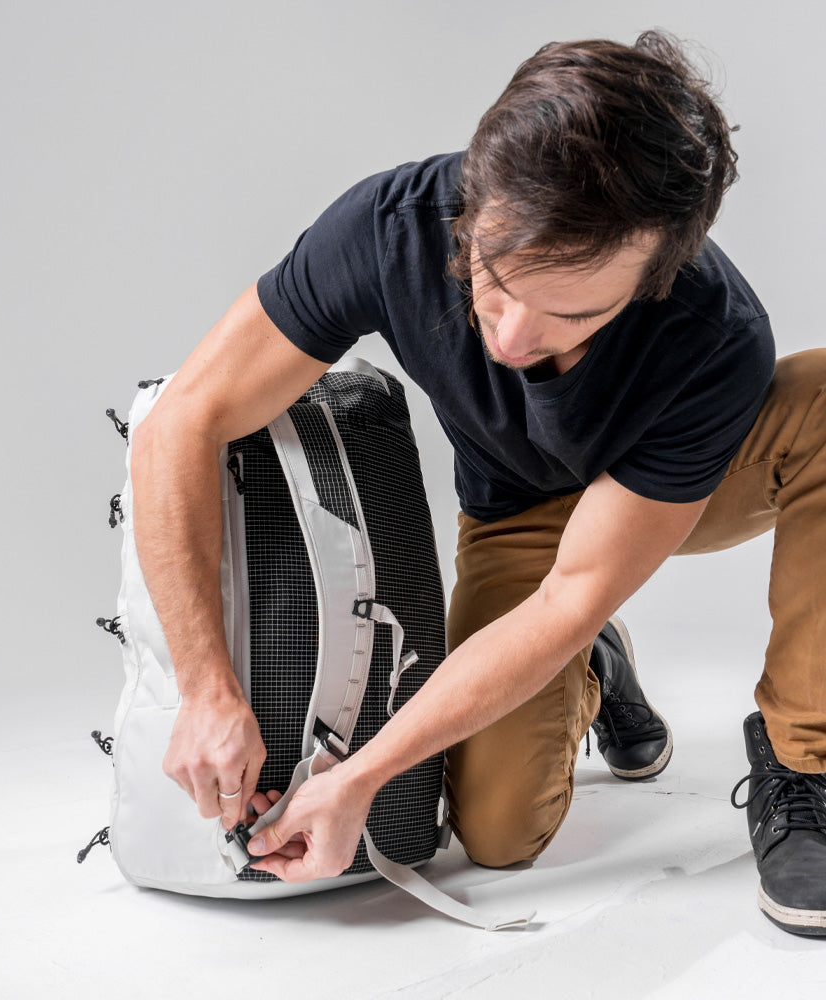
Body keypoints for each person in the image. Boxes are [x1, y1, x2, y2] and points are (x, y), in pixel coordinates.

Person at [130, 31, 826, 937]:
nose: (506, 340)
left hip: (671, 493)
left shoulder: (715, 333)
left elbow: (572, 595)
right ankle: (599, 670)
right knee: (499, 834)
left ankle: (804, 756)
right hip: (522, 509)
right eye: (492, 279)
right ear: (476, 201)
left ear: (657, 276)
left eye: (573, 313)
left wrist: (360, 776)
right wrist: (206, 688)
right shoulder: (395, 225)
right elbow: (181, 422)